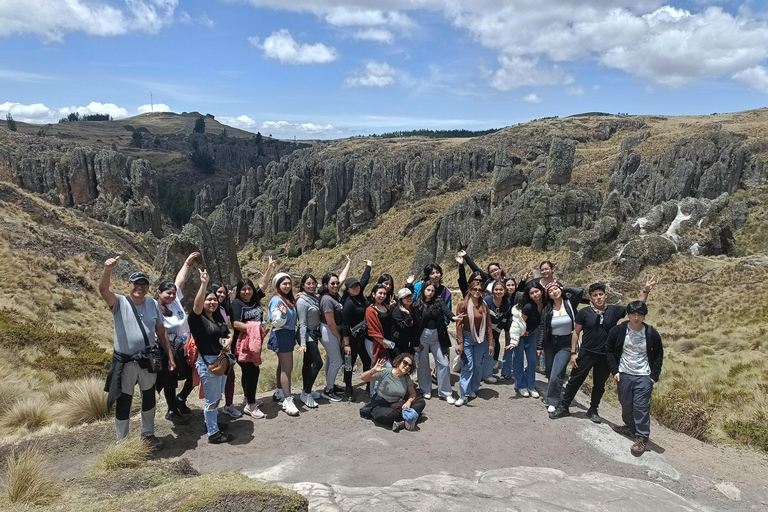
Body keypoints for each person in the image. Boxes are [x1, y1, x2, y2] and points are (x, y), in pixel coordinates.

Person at [550, 276, 657, 422]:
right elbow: (575, 332)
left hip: (606, 355)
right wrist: (573, 353)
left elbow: (635, 308)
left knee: (599, 385)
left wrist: (646, 291)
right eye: (595, 295)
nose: (598, 297)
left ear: (606, 296)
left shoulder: (613, 310)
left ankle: (593, 410)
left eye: (601, 294)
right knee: (575, 380)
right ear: (591, 298)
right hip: (586, 353)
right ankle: (564, 407)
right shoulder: (584, 312)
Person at [101, 256, 175, 449]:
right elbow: (103, 290)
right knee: (124, 399)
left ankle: (148, 434)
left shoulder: (152, 304)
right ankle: (122, 442)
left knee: (149, 396)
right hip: (126, 362)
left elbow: (160, 331)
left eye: (144, 284)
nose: (140, 288)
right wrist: (107, 270)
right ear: (128, 285)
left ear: (148, 288)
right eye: (136, 284)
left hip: (148, 360)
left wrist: (170, 355)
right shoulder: (119, 303)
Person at [606, 301, 664, 456]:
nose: (636, 318)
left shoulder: (651, 333)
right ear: (628, 314)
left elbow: (659, 355)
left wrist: (653, 376)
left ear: (644, 316)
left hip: (643, 376)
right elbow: (609, 350)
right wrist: (615, 370)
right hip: (624, 373)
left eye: (640, 315)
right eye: (633, 314)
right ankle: (630, 427)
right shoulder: (619, 330)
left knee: (641, 406)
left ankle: (642, 436)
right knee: (625, 403)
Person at [154, 251, 200, 426]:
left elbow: (180, 279)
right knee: (170, 380)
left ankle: (181, 399)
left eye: (174, 293)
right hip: (169, 349)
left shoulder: (175, 301)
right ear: (159, 293)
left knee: (195, 374)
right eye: (168, 294)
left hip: (186, 347)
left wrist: (187, 262)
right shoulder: (155, 308)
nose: (172, 296)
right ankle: (172, 410)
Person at [190, 269, 234, 443]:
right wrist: (204, 284)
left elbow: (228, 332)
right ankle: (213, 434)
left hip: (221, 361)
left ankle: (211, 423)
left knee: (218, 395)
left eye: (214, 300)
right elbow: (197, 306)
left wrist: (229, 340)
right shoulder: (197, 319)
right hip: (209, 363)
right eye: (209, 299)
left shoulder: (217, 319)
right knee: (212, 399)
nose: (212, 302)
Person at [231, 257, 275, 419]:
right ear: (239, 291)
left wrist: (269, 267)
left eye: (249, 289)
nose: (247, 292)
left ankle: (247, 398)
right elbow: (235, 323)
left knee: (248, 372)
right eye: (243, 289)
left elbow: (263, 285)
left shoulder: (254, 299)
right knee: (252, 372)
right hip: (242, 344)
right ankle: (250, 405)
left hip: (253, 343)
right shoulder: (237, 304)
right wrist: (257, 328)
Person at [538, 281, 584, 413]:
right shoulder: (547, 308)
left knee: (557, 373)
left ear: (560, 289)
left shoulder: (570, 303)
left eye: (556, 289)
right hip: (551, 343)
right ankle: (555, 391)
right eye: (550, 291)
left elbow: (579, 291)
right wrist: (540, 345)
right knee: (550, 372)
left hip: (566, 343)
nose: (554, 292)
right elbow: (542, 328)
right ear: (549, 295)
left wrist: (565, 288)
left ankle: (552, 401)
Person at [412, 281, 461, 403]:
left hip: (437, 336)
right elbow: (415, 325)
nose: (430, 292)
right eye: (428, 290)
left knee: (443, 363)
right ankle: (425, 389)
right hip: (423, 336)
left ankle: (445, 392)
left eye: (432, 291)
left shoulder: (438, 302)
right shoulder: (418, 304)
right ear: (423, 290)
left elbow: (445, 309)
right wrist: (415, 342)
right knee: (423, 363)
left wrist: (452, 317)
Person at [360, 354, 426, 432]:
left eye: (410, 365)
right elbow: (363, 378)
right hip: (382, 404)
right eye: (405, 362)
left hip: (398, 404)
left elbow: (412, 394)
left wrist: (408, 402)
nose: (407, 366)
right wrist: (373, 370)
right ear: (398, 362)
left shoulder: (406, 378)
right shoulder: (385, 372)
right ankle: (410, 418)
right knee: (386, 415)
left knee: (421, 402)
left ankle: (403, 422)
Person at [318, 257, 352, 402]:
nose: (336, 285)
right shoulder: (327, 300)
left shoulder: (334, 293)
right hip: (329, 331)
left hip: (331, 330)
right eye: (332, 283)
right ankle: (328, 390)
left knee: (331, 360)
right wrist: (338, 336)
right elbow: (331, 322)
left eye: (337, 283)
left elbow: (342, 278)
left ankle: (330, 385)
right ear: (325, 285)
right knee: (337, 361)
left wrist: (349, 263)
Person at [455, 283, 493, 406]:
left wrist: (491, 343)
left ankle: (473, 388)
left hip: (481, 339)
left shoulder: (484, 306)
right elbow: (458, 325)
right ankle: (463, 394)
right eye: (474, 289)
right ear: (470, 290)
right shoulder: (463, 305)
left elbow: (488, 325)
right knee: (468, 365)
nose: (477, 291)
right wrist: (460, 343)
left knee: (477, 365)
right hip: (467, 338)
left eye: (480, 290)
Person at [268, 272, 299, 417]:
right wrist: (284, 314)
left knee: (282, 365)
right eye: (284, 284)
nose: (287, 286)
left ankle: (280, 391)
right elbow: (276, 321)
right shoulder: (277, 301)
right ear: (277, 285)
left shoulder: (285, 299)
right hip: (282, 334)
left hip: (286, 334)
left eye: (289, 283)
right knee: (287, 368)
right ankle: (288, 399)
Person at [341, 260, 373, 400]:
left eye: (357, 286)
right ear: (347, 289)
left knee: (366, 361)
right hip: (351, 340)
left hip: (362, 338)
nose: (356, 288)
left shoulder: (359, 296)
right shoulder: (348, 304)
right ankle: (348, 389)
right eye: (352, 287)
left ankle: (368, 385)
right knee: (349, 364)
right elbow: (345, 325)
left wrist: (369, 266)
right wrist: (347, 344)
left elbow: (364, 280)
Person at [211, 282, 241, 418]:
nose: (221, 295)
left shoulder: (223, 307)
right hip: (214, 349)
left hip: (225, 347)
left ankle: (228, 406)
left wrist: (229, 339)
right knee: (215, 380)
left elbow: (228, 327)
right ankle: (212, 412)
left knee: (229, 377)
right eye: (219, 292)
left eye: (223, 292)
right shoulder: (210, 309)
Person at [512, 282, 545, 398]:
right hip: (521, 334)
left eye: (537, 291)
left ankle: (531, 386)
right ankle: (520, 385)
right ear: (529, 295)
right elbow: (520, 323)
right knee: (519, 360)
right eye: (532, 293)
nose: (535, 294)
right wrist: (515, 339)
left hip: (530, 334)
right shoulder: (528, 306)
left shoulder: (546, 304)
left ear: (541, 291)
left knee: (532, 361)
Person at [296, 274, 323, 408]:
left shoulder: (314, 297)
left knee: (308, 363)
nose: (311, 286)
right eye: (308, 283)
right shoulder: (301, 301)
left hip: (313, 333)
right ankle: (306, 393)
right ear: (302, 285)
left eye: (313, 283)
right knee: (318, 362)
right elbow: (302, 324)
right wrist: (303, 343)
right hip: (306, 335)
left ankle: (306, 389)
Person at [365, 283, 395, 394]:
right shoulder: (370, 310)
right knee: (384, 367)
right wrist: (382, 342)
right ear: (373, 294)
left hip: (384, 342)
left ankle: (375, 392)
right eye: (380, 293)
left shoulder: (385, 307)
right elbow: (372, 331)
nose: (382, 296)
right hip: (374, 343)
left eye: (384, 294)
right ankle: (376, 392)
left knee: (377, 367)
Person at [481, 280, 511, 384]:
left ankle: (487, 375)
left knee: (490, 353)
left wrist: (495, 334)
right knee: (479, 354)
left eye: (501, 289)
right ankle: (476, 375)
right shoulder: (487, 300)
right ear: (492, 290)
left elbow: (504, 320)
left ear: (505, 291)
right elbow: (482, 318)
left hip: (494, 331)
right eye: (496, 289)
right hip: (482, 330)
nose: (498, 291)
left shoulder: (507, 303)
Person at [499, 276, 523, 381]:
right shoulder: (502, 297)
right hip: (506, 326)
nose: (510, 287)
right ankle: (506, 372)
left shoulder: (519, 297)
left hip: (517, 327)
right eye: (508, 285)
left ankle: (518, 373)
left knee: (517, 351)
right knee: (508, 349)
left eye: (512, 285)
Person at [391, 288, 419, 356]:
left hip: (409, 341)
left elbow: (415, 327)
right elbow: (402, 327)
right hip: (398, 342)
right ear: (401, 299)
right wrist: (407, 315)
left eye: (410, 296)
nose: (409, 298)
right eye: (406, 297)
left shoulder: (414, 309)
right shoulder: (397, 311)